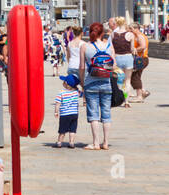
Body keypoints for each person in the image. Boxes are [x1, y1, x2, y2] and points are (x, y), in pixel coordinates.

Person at [81, 21, 115, 150]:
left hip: (91, 83)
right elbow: (114, 66)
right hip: (106, 83)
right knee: (106, 113)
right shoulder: (109, 47)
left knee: (93, 114)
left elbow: (82, 67)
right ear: (103, 33)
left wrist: (82, 82)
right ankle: (105, 142)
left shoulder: (85, 47)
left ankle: (95, 143)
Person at [110, 17, 134, 108]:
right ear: (125, 23)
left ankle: (119, 98)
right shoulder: (130, 34)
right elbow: (132, 49)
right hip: (128, 57)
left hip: (117, 57)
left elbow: (111, 48)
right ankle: (126, 101)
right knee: (127, 80)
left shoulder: (113, 34)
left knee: (119, 81)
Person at [54, 73, 81, 148]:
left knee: (62, 130)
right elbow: (81, 93)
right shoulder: (76, 92)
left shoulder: (61, 93)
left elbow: (58, 104)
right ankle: (71, 143)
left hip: (64, 114)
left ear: (65, 83)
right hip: (74, 114)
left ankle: (59, 142)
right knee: (72, 129)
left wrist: (56, 112)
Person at [129, 22, 150, 103]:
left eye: (131, 29)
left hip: (141, 59)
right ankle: (143, 92)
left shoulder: (140, 36)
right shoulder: (137, 36)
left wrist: (134, 50)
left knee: (135, 76)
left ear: (136, 29)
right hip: (140, 59)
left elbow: (143, 46)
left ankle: (139, 96)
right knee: (135, 76)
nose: (129, 31)